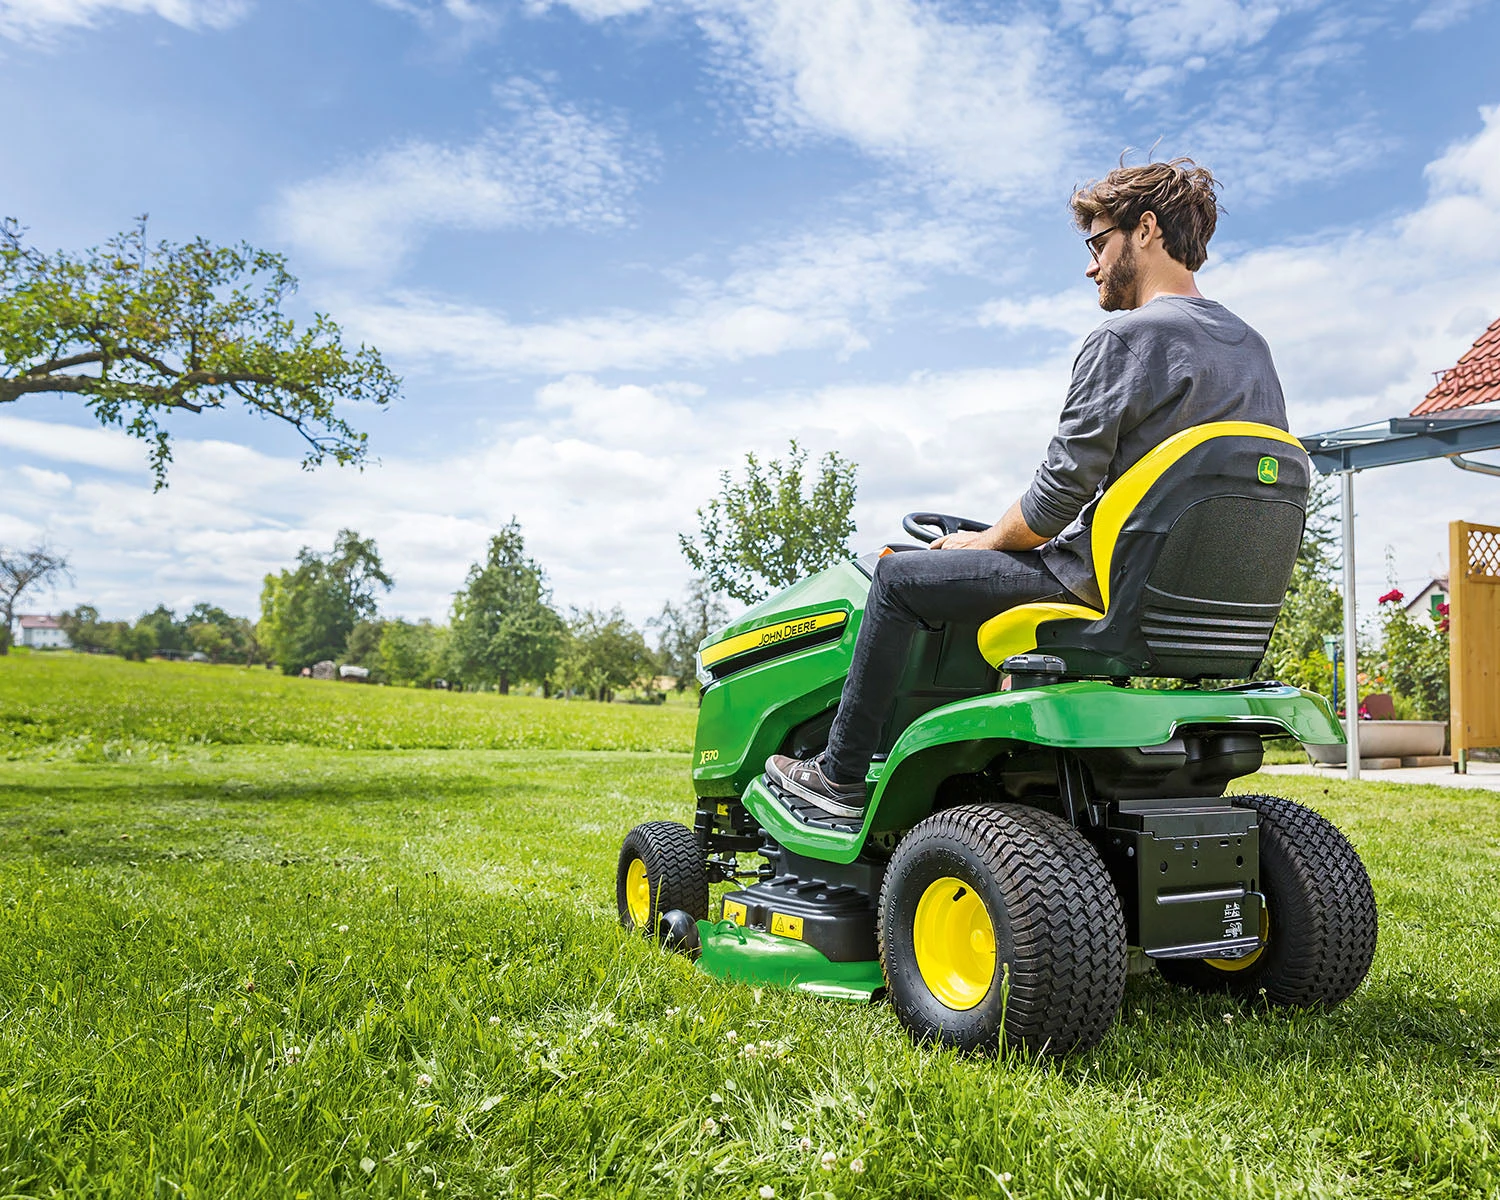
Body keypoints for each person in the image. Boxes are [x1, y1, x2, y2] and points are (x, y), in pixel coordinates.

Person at [766, 157, 1290, 818]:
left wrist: (982, 540)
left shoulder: (1126, 340)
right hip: (1205, 602)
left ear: (1147, 230)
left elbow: (1052, 503)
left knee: (898, 579)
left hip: (1101, 585)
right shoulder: (1253, 348)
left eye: (1098, 244)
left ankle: (839, 776)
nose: (1091, 266)